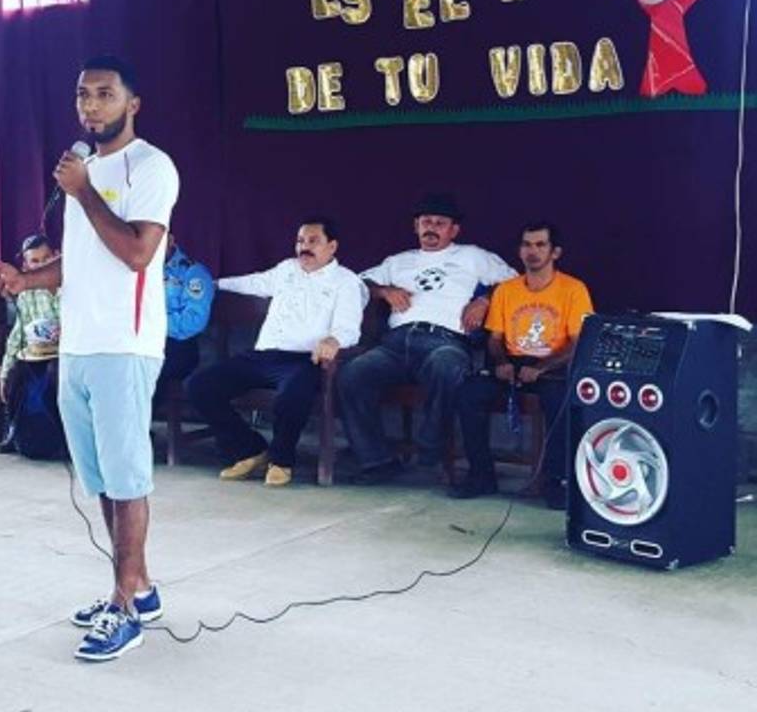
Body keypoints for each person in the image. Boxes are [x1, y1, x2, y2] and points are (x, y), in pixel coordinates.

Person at [0, 55, 178, 663]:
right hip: (78, 344)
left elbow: (137, 253)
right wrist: (25, 279)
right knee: (101, 478)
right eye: (82, 95)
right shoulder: (84, 170)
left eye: (104, 94)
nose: (90, 105)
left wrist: (85, 191)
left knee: (127, 477)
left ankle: (125, 609)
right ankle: (137, 587)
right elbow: (83, 259)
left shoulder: (151, 167)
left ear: (132, 104)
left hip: (125, 342)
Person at [338, 193, 516, 484]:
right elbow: (355, 283)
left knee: (448, 366)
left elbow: (515, 284)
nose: (431, 228)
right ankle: (376, 460)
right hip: (395, 345)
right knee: (352, 374)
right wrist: (384, 291)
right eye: (426, 222)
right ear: (416, 226)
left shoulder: (473, 256)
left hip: (444, 342)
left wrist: (484, 300)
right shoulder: (398, 261)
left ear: (454, 230)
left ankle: (430, 451)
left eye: (440, 223)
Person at [187, 217, 364, 487]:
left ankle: (282, 460)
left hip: (305, 360)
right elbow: (253, 282)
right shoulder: (287, 269)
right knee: (199, 386)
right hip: (264, 356)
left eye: (313, 241)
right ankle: (251, 450)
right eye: (300, 241)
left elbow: (349, 327)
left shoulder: (346, 281)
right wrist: (213, 283)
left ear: (332, 246)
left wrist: (333, 340)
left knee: (291, 396)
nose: (304, 247)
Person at [451, 222, 593, 510]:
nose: (533, 251)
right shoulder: (506, 289)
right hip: (513, 362)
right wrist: (502, 363)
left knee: (561, 401)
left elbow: (579, 343)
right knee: (469, 393)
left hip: (552, 366)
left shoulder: (573, 289)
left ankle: (555, 481)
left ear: (555, 252)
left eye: (540, 245)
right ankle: (481, 475)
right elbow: (495, 339)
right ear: (519, 251)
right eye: (527, 245)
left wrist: (542, 367)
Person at [0, 233, 65, 459]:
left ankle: (63, 437)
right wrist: (5, 370)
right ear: (26, 266)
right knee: (15, 375)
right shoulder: (26, 293)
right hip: (37, 354)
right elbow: (18, 334)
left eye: (47, 259)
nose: (42, 265)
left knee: (55, 373)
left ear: (56, 257)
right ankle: (14, 431)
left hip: (67, 354)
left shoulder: (70, 287)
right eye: (35, 261)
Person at [151, 234, 214, 412]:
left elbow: (193, 321)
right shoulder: (138, 269)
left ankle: (138, 424)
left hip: (177, 344)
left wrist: (151, 324)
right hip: (141, 340)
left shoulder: (193, 272)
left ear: (170, 240)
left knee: (149, 369)